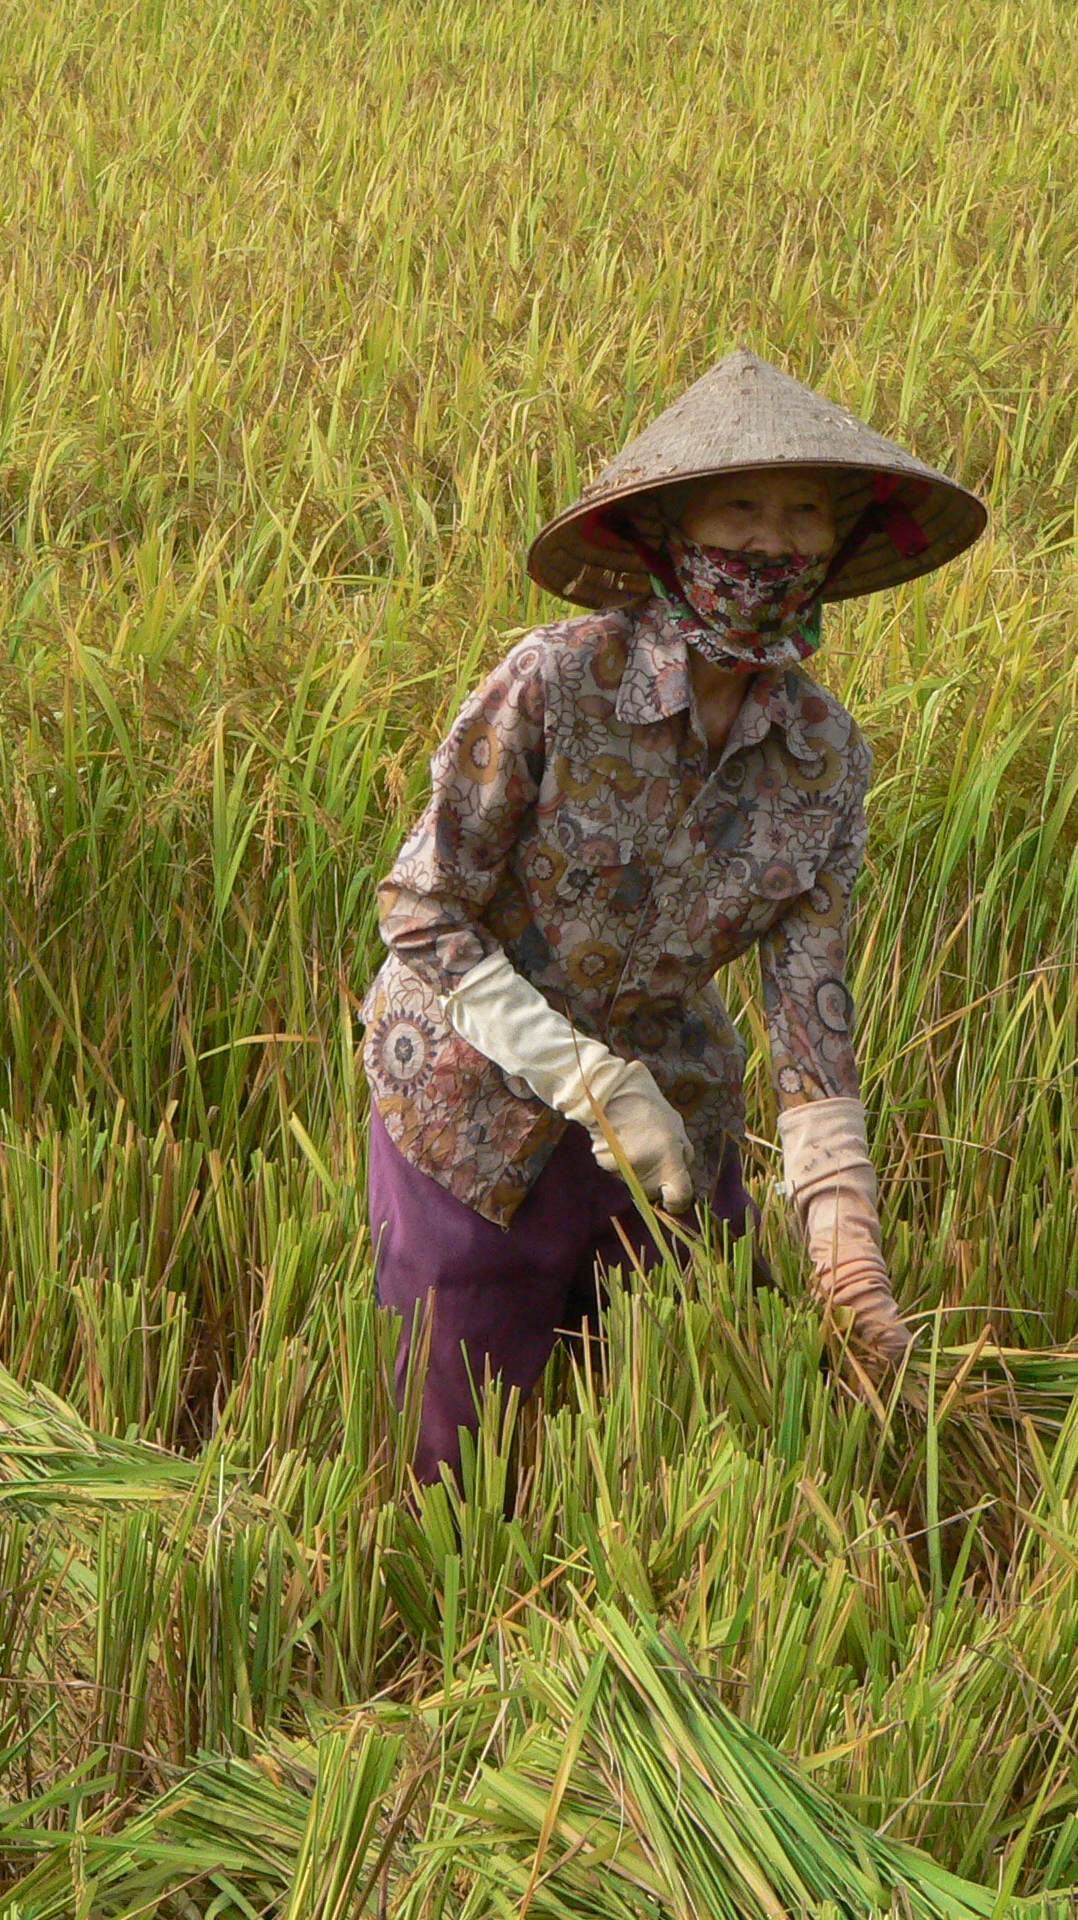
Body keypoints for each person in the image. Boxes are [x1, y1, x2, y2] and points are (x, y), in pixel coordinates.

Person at [357, 349, 988, 1488]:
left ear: (836, 550)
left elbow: (810, 1012)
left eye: (804, 513)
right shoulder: (556, 682)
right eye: (740, 504)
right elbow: (421, 905)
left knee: (674, 1419)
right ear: (667, 534)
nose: (774, 538)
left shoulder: (823, 755)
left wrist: (850, 1256)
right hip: (471, 1099)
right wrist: (585, 1079)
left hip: (670, 1116)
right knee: (457, 1442)